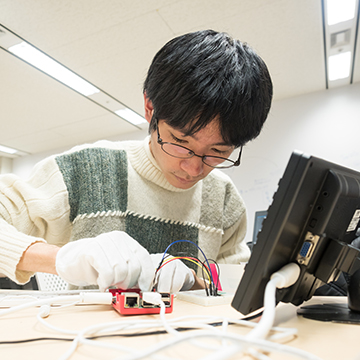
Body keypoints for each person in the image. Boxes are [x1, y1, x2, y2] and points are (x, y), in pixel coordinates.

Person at [0, 30, 273, 293]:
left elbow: (236, 293)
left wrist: (192, 281)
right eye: (181, 143)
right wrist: (62, 259)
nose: (194, 169)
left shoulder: (224, 200)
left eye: (217, 151)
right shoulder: (84, 171)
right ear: (149, 108)